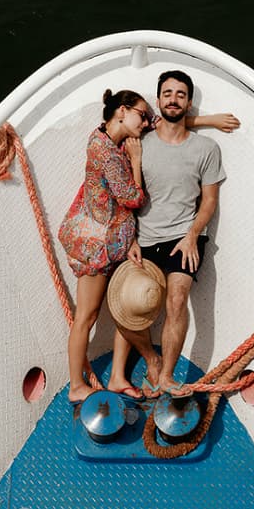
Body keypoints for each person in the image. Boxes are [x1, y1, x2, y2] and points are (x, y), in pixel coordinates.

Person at [116, 70, 228, 398]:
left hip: (185, 237)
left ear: (188, 102)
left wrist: (193, 234)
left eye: (180, 94)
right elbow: (126, 194)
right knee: (126, 304)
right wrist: (132, 238)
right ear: (158, 99)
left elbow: (209, 201)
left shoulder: (207, 149)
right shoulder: (140, 142)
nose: (173, 99)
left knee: (177, 300)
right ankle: (151, 359)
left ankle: (166, 376)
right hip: (145, 239)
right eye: (167, 93)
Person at [58, 88, 154, 403]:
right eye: (142, 114)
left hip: (114, 244)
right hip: (97, 246)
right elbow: (132, 198)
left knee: (122, 309)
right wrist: (136, 160)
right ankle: (76, 386)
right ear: (122, 111)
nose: (146, 122)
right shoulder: (109, 154)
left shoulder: (102, 138)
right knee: (87, 314)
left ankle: (116, 378)